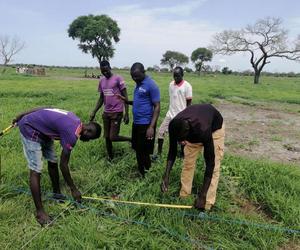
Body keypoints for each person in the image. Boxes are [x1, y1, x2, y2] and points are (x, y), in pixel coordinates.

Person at [13, 107, 101, 225]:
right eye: (90, 139)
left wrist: (21, 114)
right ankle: (40, 212)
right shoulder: (72, 134)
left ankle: (57, 193)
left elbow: (45, 108)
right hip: (30, 128)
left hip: (45, 132)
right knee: (36, 169)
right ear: (87, 132)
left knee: (52, 161)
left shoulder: (75, 118)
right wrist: (73, 189)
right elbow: (63, 165)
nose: (88, 140)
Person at [161, 104, 225, 211]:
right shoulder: (174, 125)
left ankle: (206, 203)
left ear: (188, 131)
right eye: (179, 141)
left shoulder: (204, 130)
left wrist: (202, 194)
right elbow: (172, 151)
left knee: (214, 169)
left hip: (214, 130)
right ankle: (184, 195)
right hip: (194, 129)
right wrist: (166, 175)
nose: (181, 143)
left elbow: (210, 163)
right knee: (188, 164)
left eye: (182, 140)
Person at [118, 62, 160, 177]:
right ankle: (140, 171)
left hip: (146, 124)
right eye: (132, 76)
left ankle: (148, 174)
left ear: (143, 72)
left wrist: (151, 127)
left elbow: (157, 106)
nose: (134, 79)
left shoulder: (151, 85)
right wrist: (126, 101)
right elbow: (139, 102)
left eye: (137, 76)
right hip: (136, 123)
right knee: (137, 149)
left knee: (144, 152)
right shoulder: (139, 84)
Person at [90, 60, 131, 160]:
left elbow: (125, 96)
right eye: (103, 71)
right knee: (107, 137)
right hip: (106, 113)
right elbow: (101, 98)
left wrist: (126, 113)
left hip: (117, 112)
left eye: (106, 70)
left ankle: (131, 139)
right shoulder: (102, 81)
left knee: (113, 137)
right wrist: (94, 111)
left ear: (110, 67)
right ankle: (110, 156)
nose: (105, 72)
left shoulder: (118, 78)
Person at [154, 66, 192, 158]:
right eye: (174, 76)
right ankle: (159, 154)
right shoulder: (171, 84)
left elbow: (189, 104)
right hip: (170, 115)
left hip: (181, 116)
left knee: (181, 137)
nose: (175, 78)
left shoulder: (187, 86)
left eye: (178, 76)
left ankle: (182, 154)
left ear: (182, 75)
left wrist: (187, 117)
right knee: (161, 132)